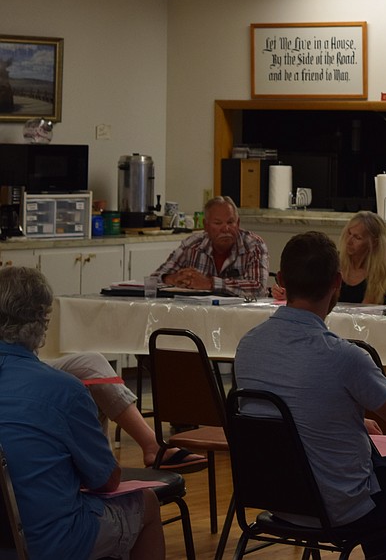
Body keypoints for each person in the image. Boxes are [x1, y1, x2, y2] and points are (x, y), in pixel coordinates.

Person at [234, 232, 386, 558]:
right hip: (343, 506)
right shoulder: (343, 356)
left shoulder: (248, 346)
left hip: (279, 499)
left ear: (281, 279)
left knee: (370, 458)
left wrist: (343, 417)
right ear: (337, 281)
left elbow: (282, 414)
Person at [0, 266, 166, 560]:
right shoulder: (64, 390)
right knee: (147, 504)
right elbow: (106, 481)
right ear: (42, 320)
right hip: (48, 542)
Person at [45, 352, 204, 469]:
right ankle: (150, 447)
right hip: (23, 363)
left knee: (89, 376)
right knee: (91, 364)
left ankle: (103, 468)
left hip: (29, 359)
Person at [151, 195, 268, 296]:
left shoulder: (254, 246)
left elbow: (259, 288)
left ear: (238, 224)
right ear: (206, 226)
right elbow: (154, 278)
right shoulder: (192, 245)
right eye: (218, 223)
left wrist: (210, 283)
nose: (225, 228)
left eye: (230, 222)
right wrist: (173, 278)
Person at [339, 210, 386, 304]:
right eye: (349, 233)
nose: (349, 241)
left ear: (374, 243)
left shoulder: (380, 281)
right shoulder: (333, 266)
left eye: (357, 237)